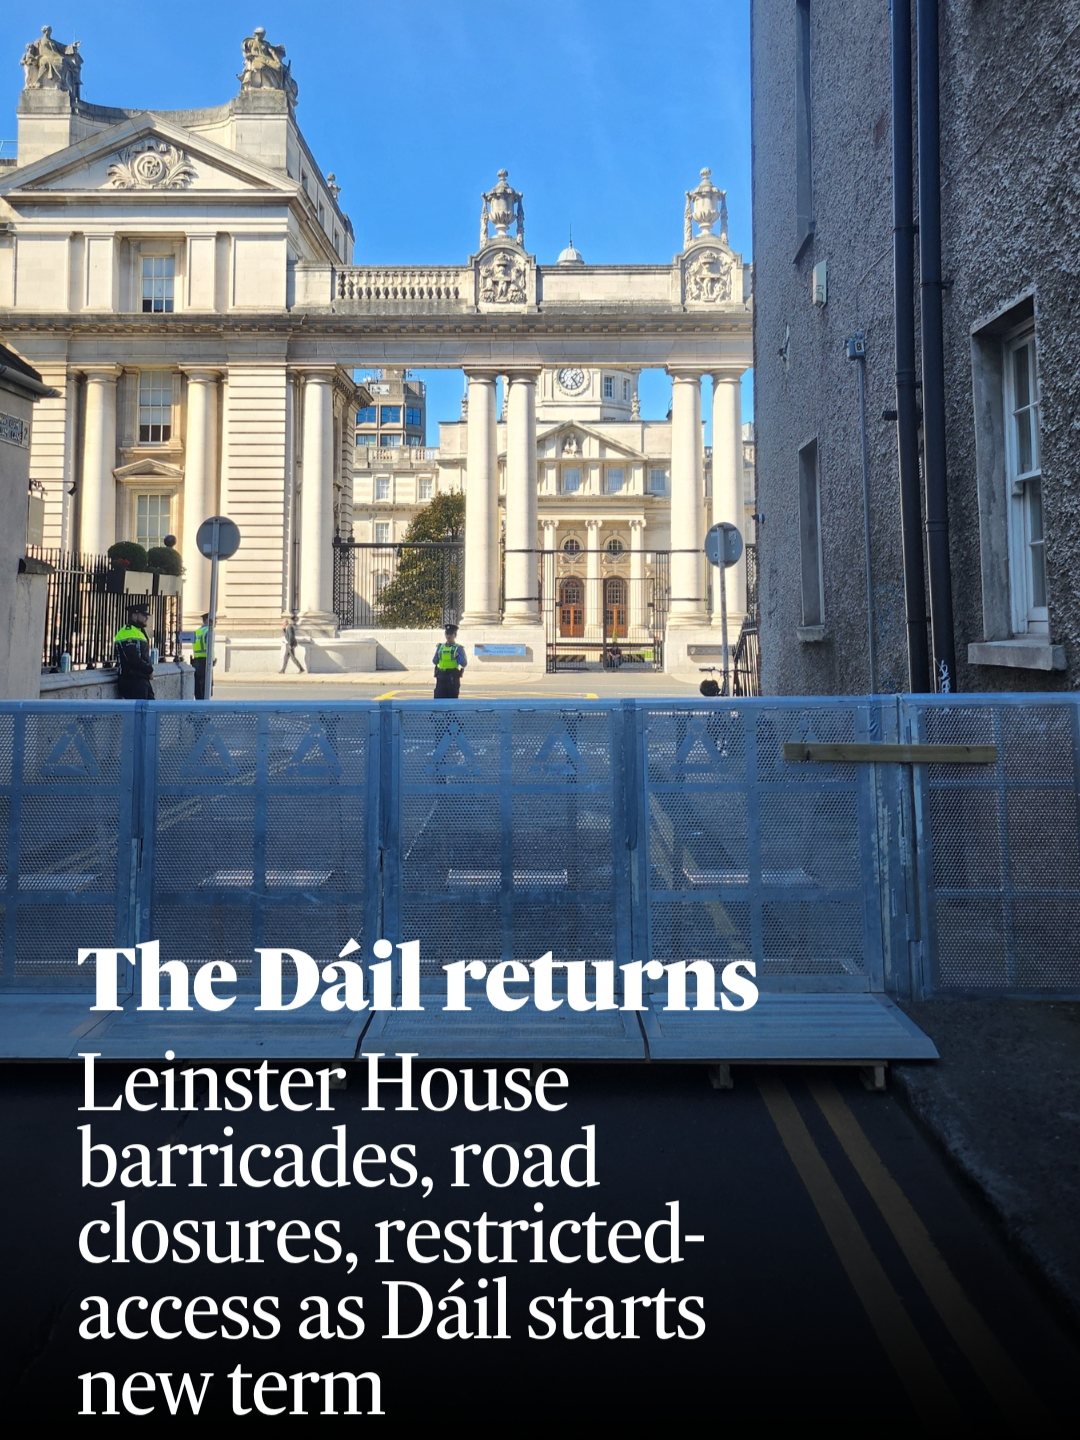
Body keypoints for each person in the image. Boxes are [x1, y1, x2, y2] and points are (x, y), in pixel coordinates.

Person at [114, 606, 155, 700]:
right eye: (144, 615)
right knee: (141, 712)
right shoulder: (128, 632)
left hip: (141, 679)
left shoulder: (138, 631)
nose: (146, 618)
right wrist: (149, 670)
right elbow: (133, 659)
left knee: (151, 710)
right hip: (132, 680)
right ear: (134, 616)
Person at [432, 624, 467, 699]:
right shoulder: (440, 647)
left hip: (452, 678)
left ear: (455, 635)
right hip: (441, 676)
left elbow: (464, 663)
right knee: (438, 700)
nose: (449, 636)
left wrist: (457, 656)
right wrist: (438, 655)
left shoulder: (458, 648)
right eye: (447, 633)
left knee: (451, 701)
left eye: (451, 634)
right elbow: (434, 661)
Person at [192, 613, 210, 699]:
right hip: (205, 661)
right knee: (205, 685)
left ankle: (198, 703)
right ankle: (204, 706)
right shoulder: (208, 631)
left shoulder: (197, 631)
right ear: (207, 620)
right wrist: (213, 659)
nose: (215, 622)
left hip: (196, 660)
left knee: (198, 685)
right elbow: (209, 646)